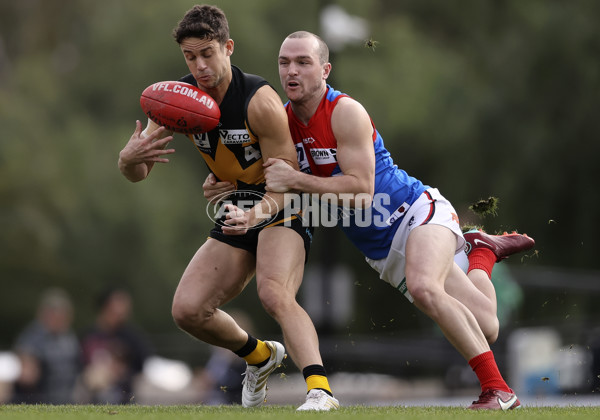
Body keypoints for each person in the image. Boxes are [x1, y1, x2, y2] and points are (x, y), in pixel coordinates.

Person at [262, 31, 533, 410]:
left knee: (425, 288)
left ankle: (498, 391)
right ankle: (482, 253)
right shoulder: (282, 124)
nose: (292, 71)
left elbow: (361, 190)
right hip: (382, 250)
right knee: (487, 325)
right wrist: (222, 182)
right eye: (284, 62)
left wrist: (295, 179)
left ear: (325, 69)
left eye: (303, 62)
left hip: (415, 211)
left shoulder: (345, 111)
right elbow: (262, 175)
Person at [117, 6, 338, 410]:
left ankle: (320, 391)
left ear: (228, 48)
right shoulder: (177, 100)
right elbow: (138, 173)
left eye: (208, 54)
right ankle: (260, 356)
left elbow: (286, 182)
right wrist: (128, 159)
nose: (199, 66)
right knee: (187, 310)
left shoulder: (260, 102)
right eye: (190, 57)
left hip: (281, 205)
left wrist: (254, 214)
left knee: (273, 294)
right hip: (235, 206)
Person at [78, 288, 153, 404]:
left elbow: (145, 364)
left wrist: (121, 371)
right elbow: (78, 364)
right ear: (106, 307)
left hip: (125, 388)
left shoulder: (132, 337)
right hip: (93, 385)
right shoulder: (89, 335)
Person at [11, 288, 80, 404]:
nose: (58, 318)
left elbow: (77, 364)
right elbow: (26, 366)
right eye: (54, 313)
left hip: (69, 397)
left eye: (62, 314)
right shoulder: (33, 335)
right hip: (41, 397)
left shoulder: (69, 337)